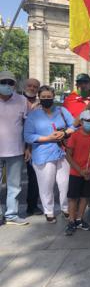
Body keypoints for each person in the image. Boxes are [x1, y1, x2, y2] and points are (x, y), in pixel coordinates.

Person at [24, 85, 75, 223]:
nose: (47, 99)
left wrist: (64, 133)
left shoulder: (62, 111)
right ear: (39, 98)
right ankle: (49, 210)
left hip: (63, 153)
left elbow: (74, 126)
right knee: (46, 185)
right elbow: (28, 136)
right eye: (44, 97)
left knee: (65, 184)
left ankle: (65, 208)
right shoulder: (33, 115)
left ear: (53, 96)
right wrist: (48, 138)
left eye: (49, 96)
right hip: (43, 154)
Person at [0, 71, 29, 225]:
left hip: (16, 149)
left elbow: (27, 124)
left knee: (14, 185)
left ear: (14, 85)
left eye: (10, 83)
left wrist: (28, 147)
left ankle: (11, 215)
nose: (7, 85)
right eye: (3, 82)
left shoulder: (22, 100)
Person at [64, 110, 90, 235]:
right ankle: (71, 221)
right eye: (88, 121)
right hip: (76, 172)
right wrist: (80, 170)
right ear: (82, 122)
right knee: (73, 198)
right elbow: (68, 155)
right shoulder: (75, 135)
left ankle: (79, 219)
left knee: (85, 196)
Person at [22, 78, 43, 216]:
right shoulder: (17, 100)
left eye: (35, 86)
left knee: (34, 177)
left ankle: (32, 205)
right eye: (29, 85)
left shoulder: (41, 104)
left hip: (32, 144)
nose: (32, 88)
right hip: (12, 144)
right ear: (24, 86)